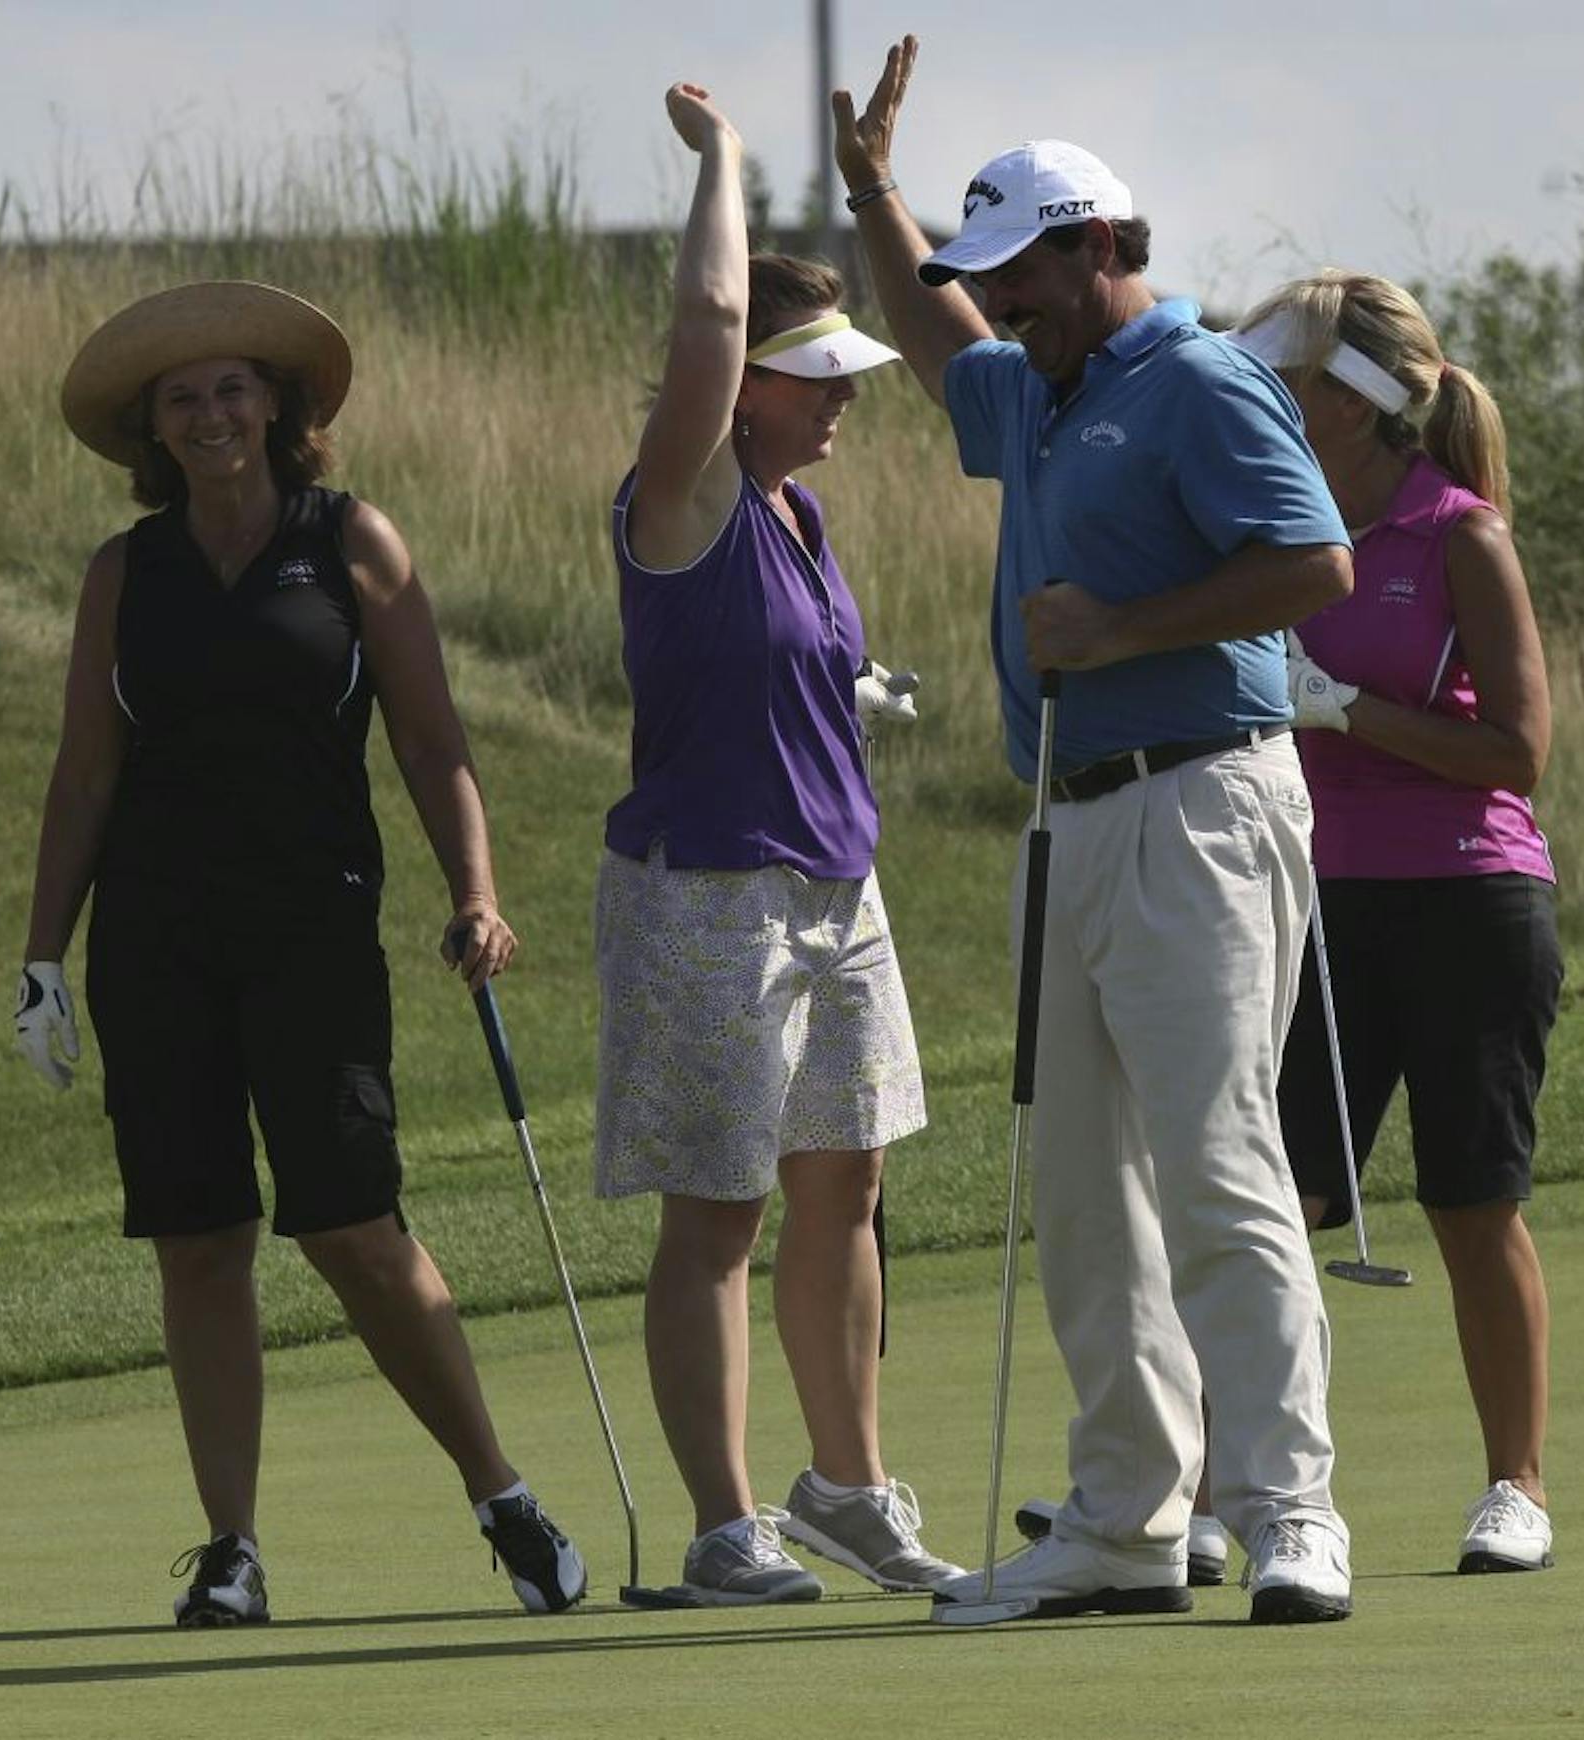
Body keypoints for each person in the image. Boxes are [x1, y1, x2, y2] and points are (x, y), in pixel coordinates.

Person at [832, 37, 1358, 1623]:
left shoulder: (1194, 379)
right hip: (1067, 824)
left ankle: (1291, 1513)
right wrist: (874, 193)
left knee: (1213, 1163)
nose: (1003, 302)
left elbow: (1314, 563)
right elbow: (934, 344)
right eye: (989, 275)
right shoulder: (1034, 387)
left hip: (1201, 805)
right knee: (1079, 1185)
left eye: (1026, 272)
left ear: (1102, 247)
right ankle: (1130, 1516)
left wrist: (1121, 633)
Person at [18, 280, 585, 1626]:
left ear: (278, 405)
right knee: (199, 1239)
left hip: (311, 931)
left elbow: (434, 742)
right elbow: (85, 777)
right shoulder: (125, 573)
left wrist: (479, 889)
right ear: (152, 430)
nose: (211, 414)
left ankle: (499, 1490)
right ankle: (232, 1549)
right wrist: (45, 954)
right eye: (181, 398)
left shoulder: (351, 543)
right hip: (156, 940)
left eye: (231, 389)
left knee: (349, 1225)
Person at [593, 82, 953, 1605]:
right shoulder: (683, 493)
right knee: (718, 1211)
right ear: (743, 385)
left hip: (833, 889)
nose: (841, 397)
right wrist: (732, 162)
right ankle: (726, 1522)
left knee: (845, 1187)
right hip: (709, 899)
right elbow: (704, 322)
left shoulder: (805, 520)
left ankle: (848, 1488)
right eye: (812, 376)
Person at [1230, 272, 1562, 1574]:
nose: (1271, 392)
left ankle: (1515, 1487)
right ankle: (1223, 1485)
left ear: (1353, 402)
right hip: (1321, 904)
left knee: (1472, 1202)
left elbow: (1518, 750)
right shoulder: (1279, 523)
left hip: (1472, 904)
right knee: (1276, 1201)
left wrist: (1345, 710)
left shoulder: (1456, 534)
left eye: (1294, 373)